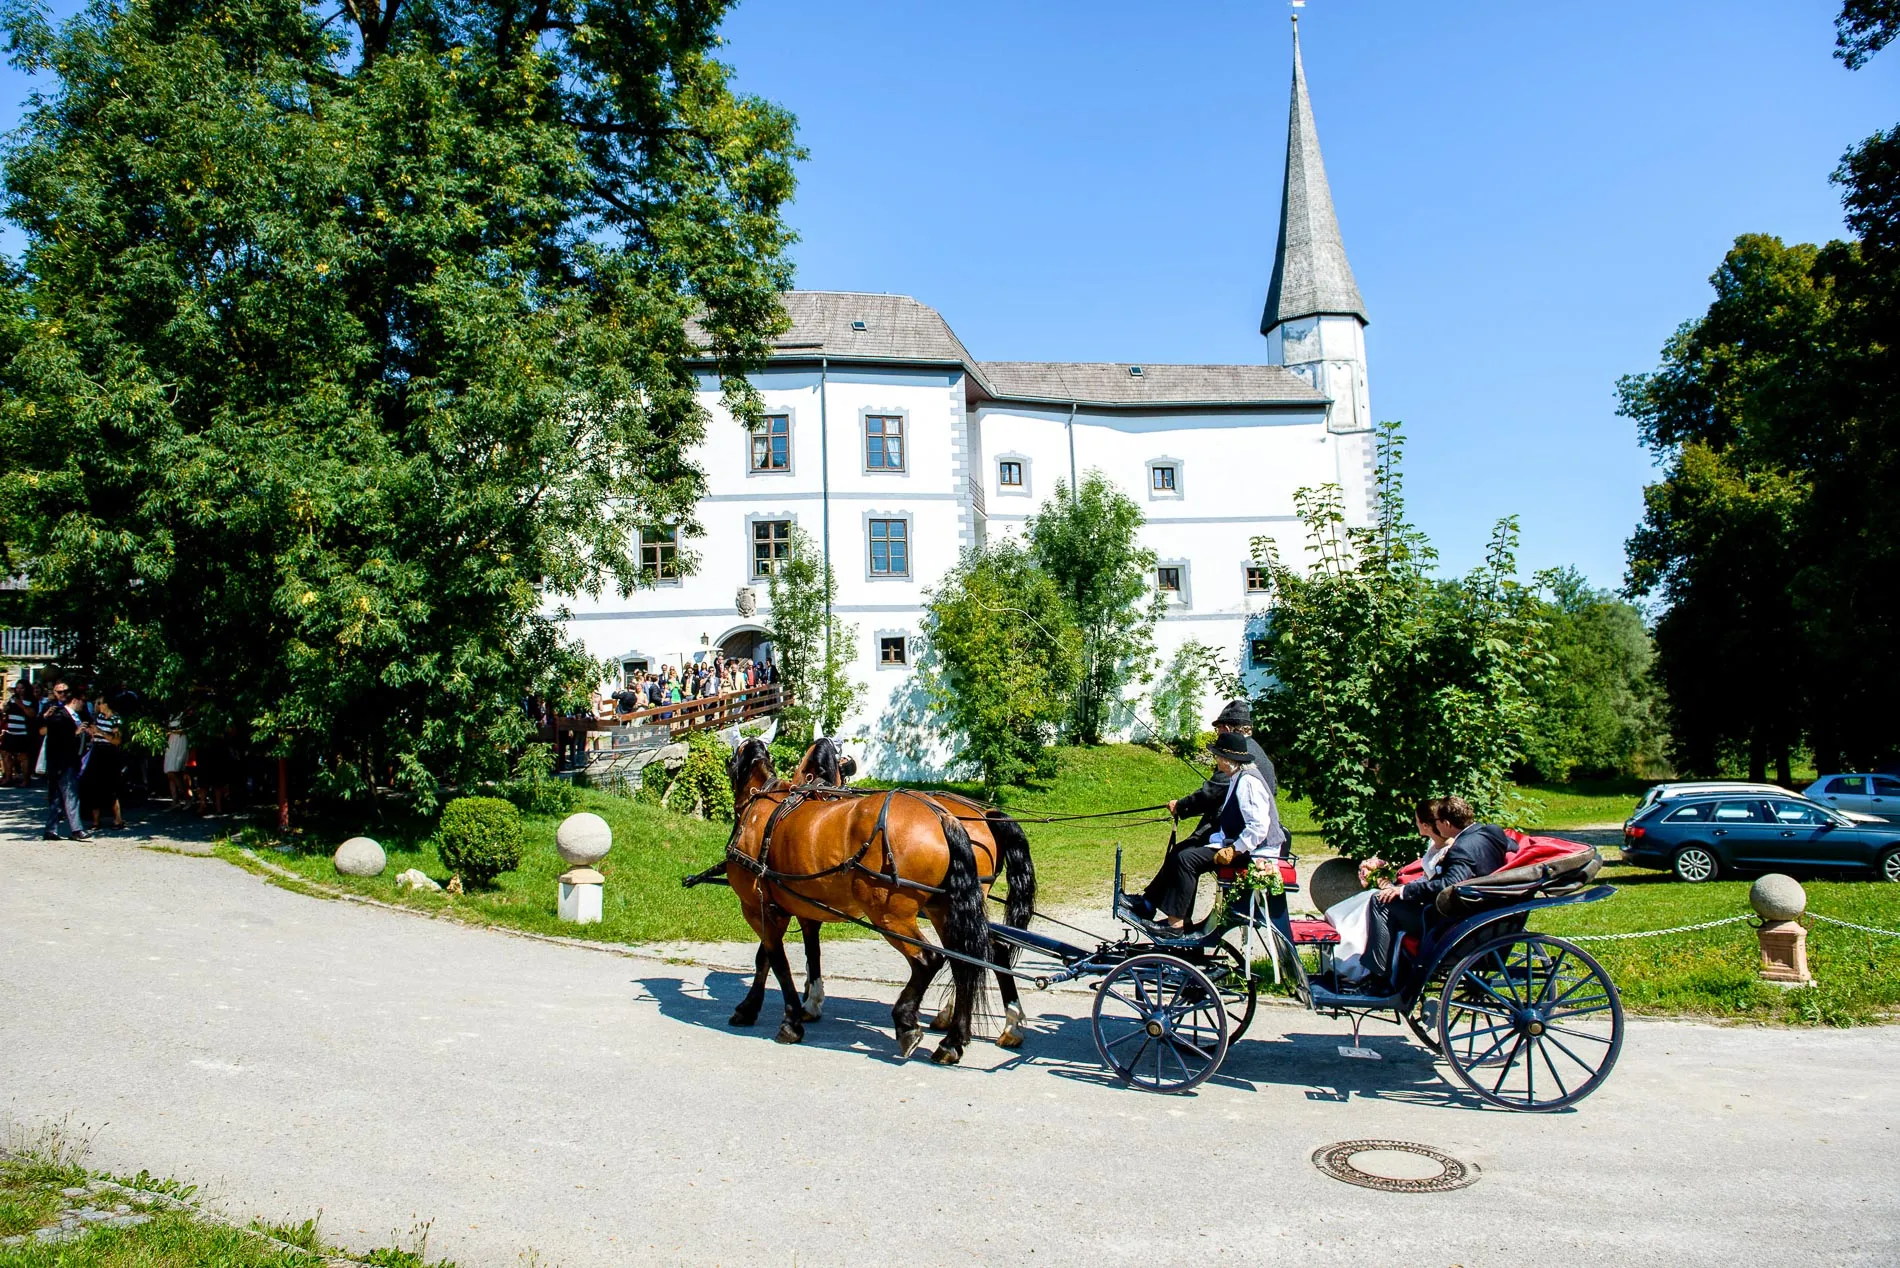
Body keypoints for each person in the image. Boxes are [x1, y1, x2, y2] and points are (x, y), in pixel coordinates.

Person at [1129, 732, 1284, 932]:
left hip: (1257, 853)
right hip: (1244, 846)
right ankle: (1178, 919)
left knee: (1186, 859)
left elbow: (1259, 826)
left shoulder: (1248, 782)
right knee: (1183, 854)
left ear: (1228, 760)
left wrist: (1234, 849)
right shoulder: (1238, 778)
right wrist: (1215, 842)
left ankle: (1175, 924)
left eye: (1218, 756)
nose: (1216, 760)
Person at [1358, 795, 1510, 991]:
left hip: (1454, 920)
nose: (1435, 826)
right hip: (1485, 910)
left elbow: (1449, 884)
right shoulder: (1492, 831)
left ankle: (1378, 978)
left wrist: (1404, 890)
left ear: (1446, 823)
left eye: (1437, 821)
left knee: (1381, 903)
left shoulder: (1461, 848)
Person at [1328, 798, 1452, 981]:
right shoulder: (1434, 846)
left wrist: (1402, 891)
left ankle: (1376, 973)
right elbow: (1423, 876)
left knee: (1379, 901)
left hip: (1430, 910)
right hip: (1420, 897)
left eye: (1417, 820)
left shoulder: (1450, 849)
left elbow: (1437, 884)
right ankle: (1347, 957)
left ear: (1425, 824)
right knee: (1373, 898)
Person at [40, 681, 89, 840]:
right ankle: (76, 829)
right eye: (83, 701)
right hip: (62, 762)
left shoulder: (75, 716)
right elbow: (56, 739)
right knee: (71, 796)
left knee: (58, 798)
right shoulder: (60, 715)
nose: (84, 704)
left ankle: (50, 829)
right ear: (75, 700)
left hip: (67, 762)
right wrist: (75, 734)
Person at [80, 694, 126, 832]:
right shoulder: (99, 718)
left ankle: (118, 819)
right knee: (94, 786)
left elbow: (117, 740)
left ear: (106, 704)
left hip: (110, 753)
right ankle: (96, 821)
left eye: (99, 703)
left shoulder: (116, 719)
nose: (97, 706)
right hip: (97, 751)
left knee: (111, 787)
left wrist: (100, 731)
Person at [3, 679, 33, 787]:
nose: (19, 690)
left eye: (22, 688)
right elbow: (7, 711)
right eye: (18, 688)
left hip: (23, 732)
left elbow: (31, 714)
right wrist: (5, 709)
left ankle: (25, 780)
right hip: (11, 731)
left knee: (23, 756)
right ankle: (8, 777)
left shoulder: (31, 700)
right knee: (5, 753)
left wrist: (20, 704)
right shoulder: (12, 699)